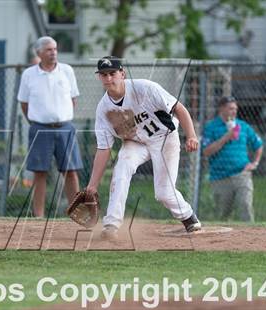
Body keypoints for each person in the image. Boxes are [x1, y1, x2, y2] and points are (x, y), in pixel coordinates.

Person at [84, 56, 201, 240]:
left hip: (164, 138)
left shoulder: (144, 88)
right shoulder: (103, 109)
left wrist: (191, 135)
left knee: (163, 193)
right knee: (121, 168)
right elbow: (103, 148)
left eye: (112, 73)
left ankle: (187, 216)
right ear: (99, 77)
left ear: (122, 73)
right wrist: (93, 184)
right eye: (103, 75)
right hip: (135, 143)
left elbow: (179, 108)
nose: (108, 78)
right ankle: (111, 226)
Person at [17, 36, 83, 217]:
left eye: (55, 49)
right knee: (40, 173)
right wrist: (38, 120)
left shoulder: (67, 71)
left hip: (65, 128)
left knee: (70, 171)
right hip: (39, 129)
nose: (53, 52)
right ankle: (38, 216)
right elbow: (24, 103)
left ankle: (76, 212)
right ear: (39, 53)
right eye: (48, 50)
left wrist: (61, 117)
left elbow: (73, 99)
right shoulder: (29, 75)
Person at [203, 96, 263, 222]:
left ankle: (251, 239)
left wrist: (255, 163)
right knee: (222, 215)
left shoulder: (243, 126)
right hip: (220, 177)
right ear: (221, 109)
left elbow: (258, 145)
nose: (234, 111)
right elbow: (206, 151)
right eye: (231, 108)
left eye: (235, 109)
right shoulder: (211, 127)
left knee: (245, 206)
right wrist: (226, 137)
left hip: (242, 174)